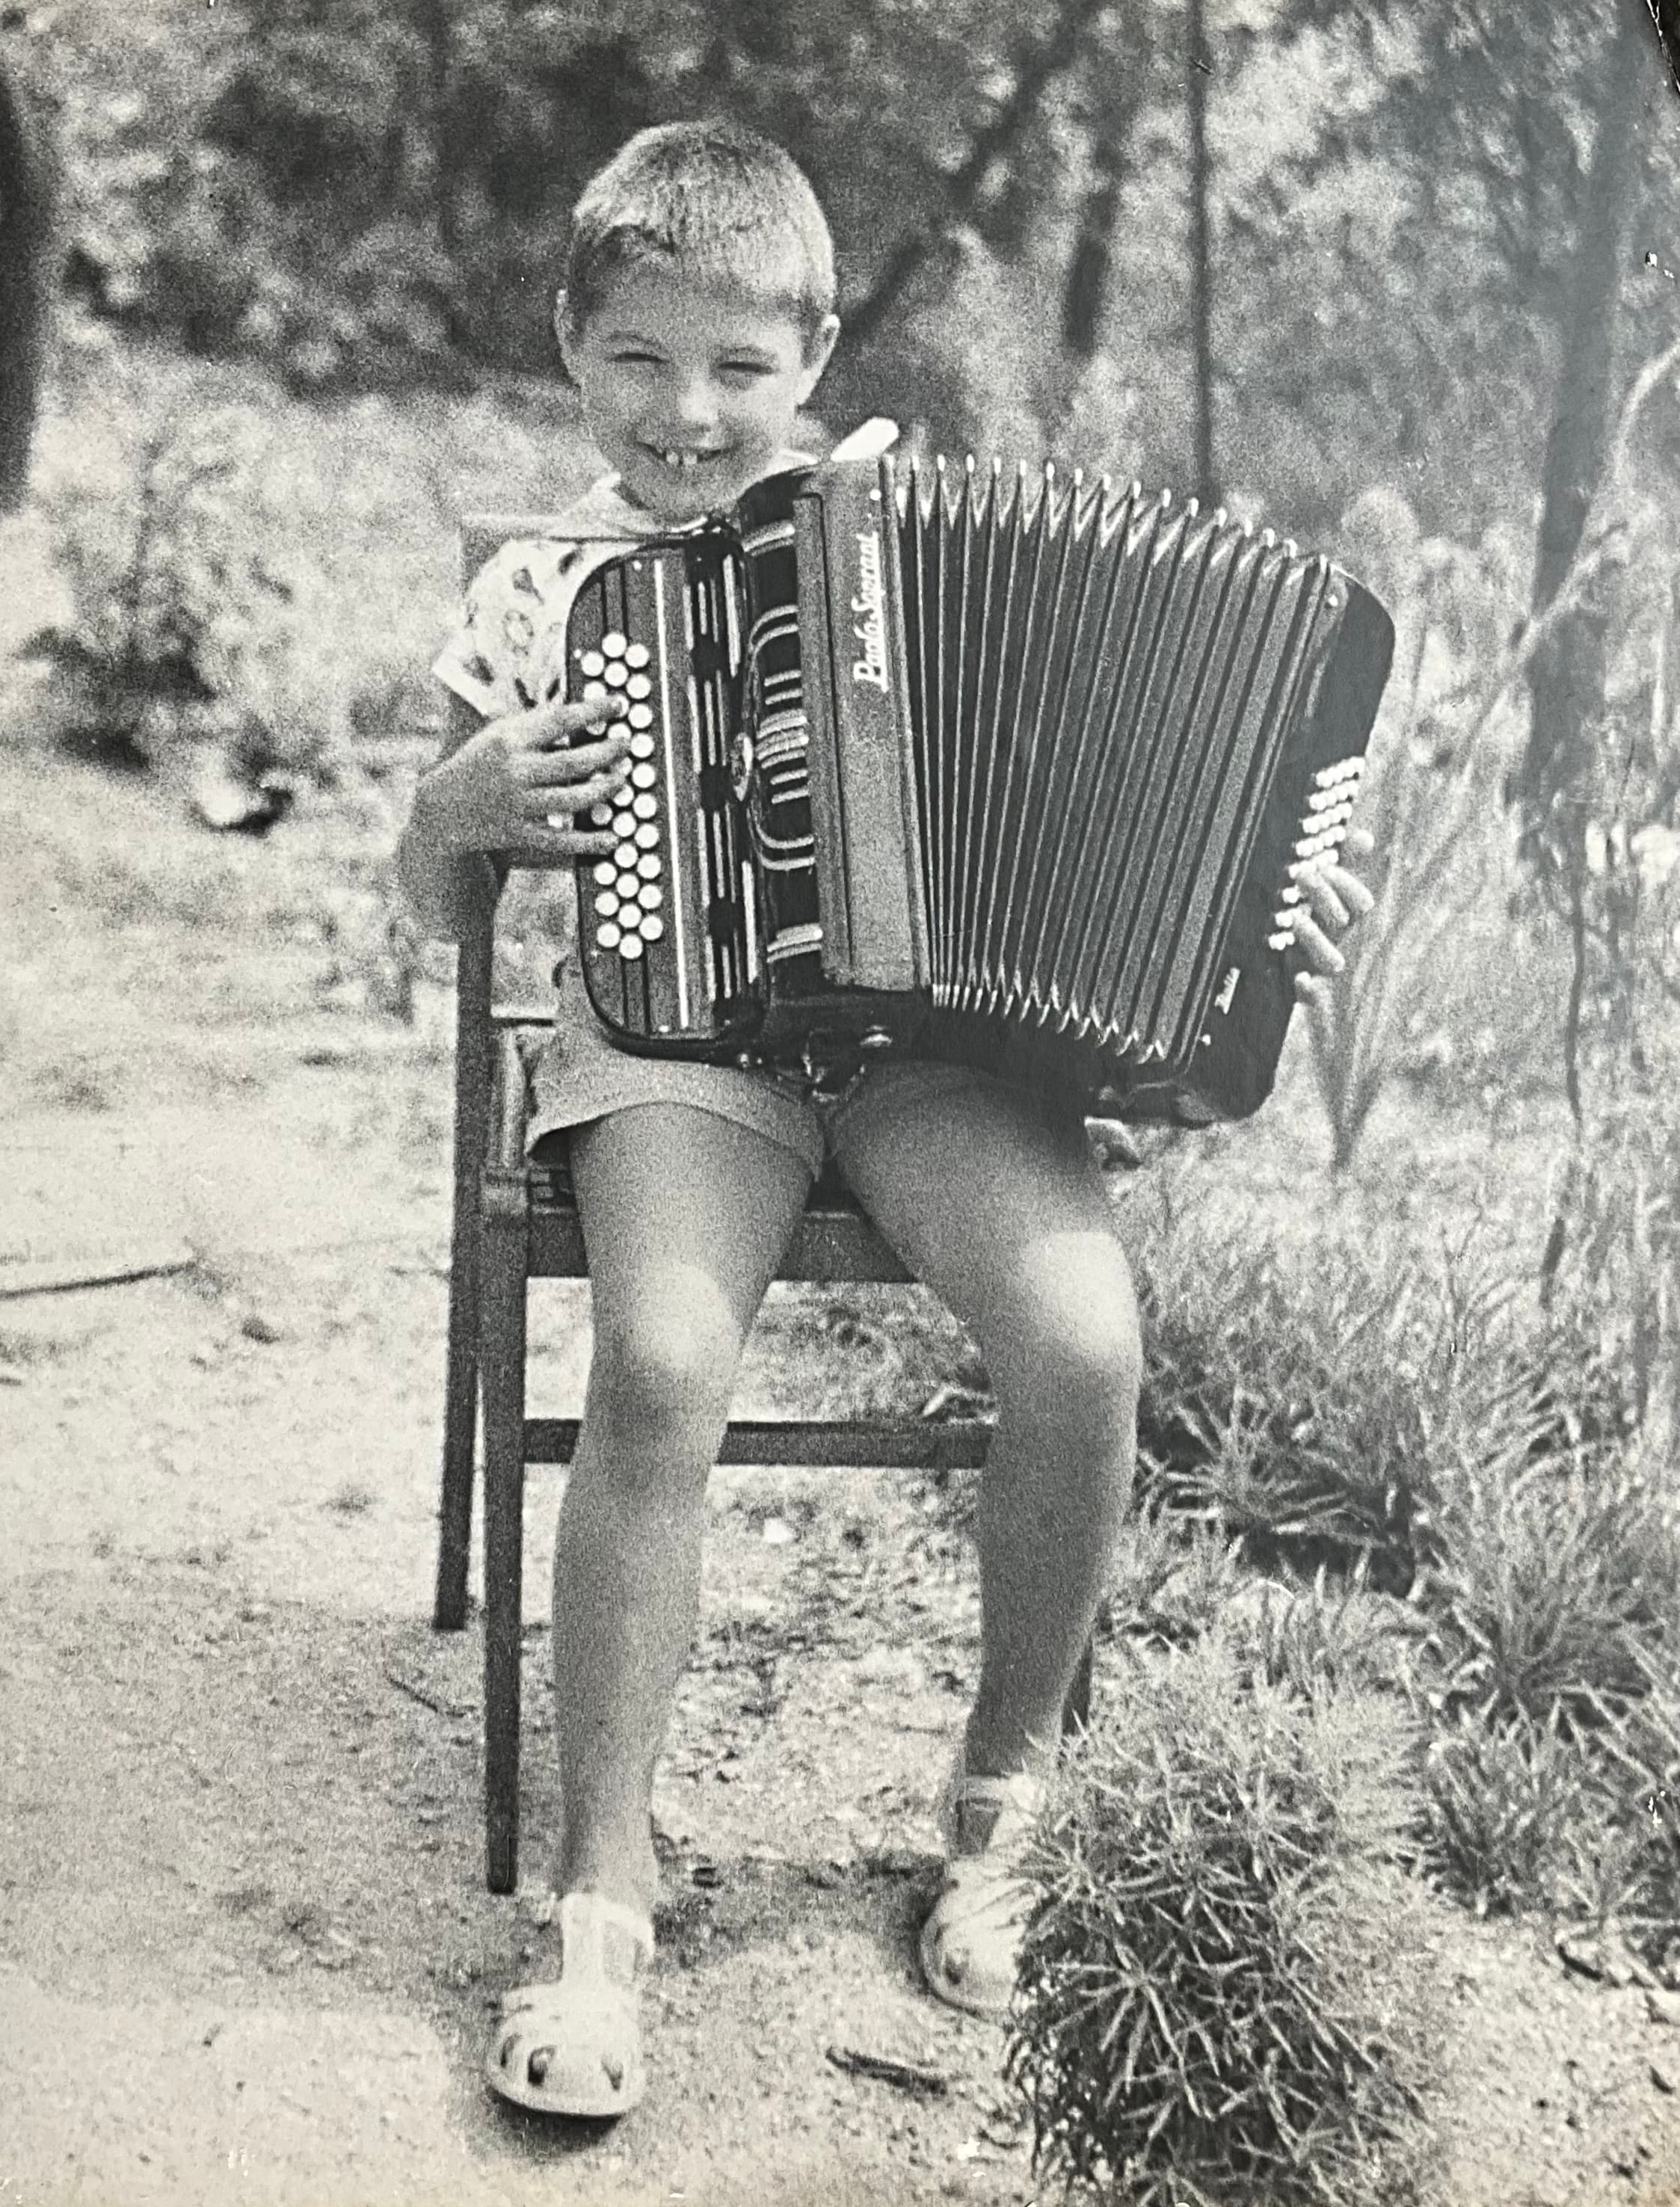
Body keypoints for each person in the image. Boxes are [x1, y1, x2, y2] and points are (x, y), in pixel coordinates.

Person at [396, 119, 1373, 2122]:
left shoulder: (893, 527)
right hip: (678, 1053)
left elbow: (1134, 786)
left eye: (740, 368)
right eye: (643, 357)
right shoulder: (541, 594)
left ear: (815, 362)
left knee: (1086, 1339)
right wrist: (451, 815)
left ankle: (1002, 1800)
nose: (689, 410)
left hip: (930, 1061)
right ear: (574, 343)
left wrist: (1278, 897)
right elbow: (428, 895)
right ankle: (604, 1891)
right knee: (662, 1361)